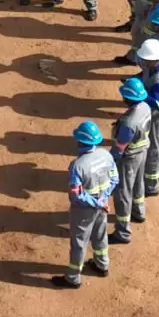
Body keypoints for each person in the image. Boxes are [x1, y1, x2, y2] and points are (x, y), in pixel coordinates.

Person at [52, 120, 117, 289]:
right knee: (100, 234)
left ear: (80, 141)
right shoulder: (106, 155)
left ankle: (73, 278)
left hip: (83, 211)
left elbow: (77, 194)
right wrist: (103, 199)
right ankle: (102, 265)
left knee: (79, 242)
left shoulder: (77, 166)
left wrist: (95, 203)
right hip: (102, 204)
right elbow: (114, 179)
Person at [109, 77, 151, 241]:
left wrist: (109, 162)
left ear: (128, 98)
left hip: (129, 158)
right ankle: (138, 211)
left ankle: (123, 231)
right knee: (138, 182)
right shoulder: (145, 107)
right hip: (142, 151)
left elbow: (119, 148)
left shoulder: (128, 123)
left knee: (123, 192)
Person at [137, 38, 159, 197]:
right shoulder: (157, 66)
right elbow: (144, 74)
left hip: (156, 115)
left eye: (145, 59)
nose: (142, 61)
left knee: (153, 148)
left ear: (152, 60)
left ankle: (152, 184)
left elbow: (158, 103)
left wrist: (141, 95)